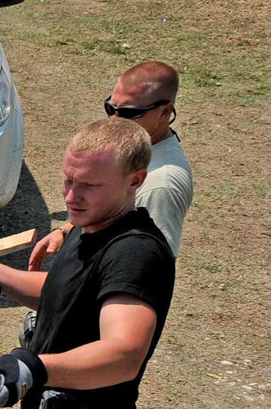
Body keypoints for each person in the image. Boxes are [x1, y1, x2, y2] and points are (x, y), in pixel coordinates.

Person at [0, 117, 175, 409]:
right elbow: (66, 291)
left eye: (89, 186)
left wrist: (33, 367)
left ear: (136, 181)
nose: (71, 197)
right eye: (68, 180)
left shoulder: (136, 254)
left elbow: (124, 354)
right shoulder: (90, 221)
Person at [29, 60, 195, 267]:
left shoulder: (161, 184)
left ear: (165, 112)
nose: (114, 121)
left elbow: (149, 265)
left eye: (129, 113)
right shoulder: (130, 150)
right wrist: (66, 230)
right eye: (111, 108)